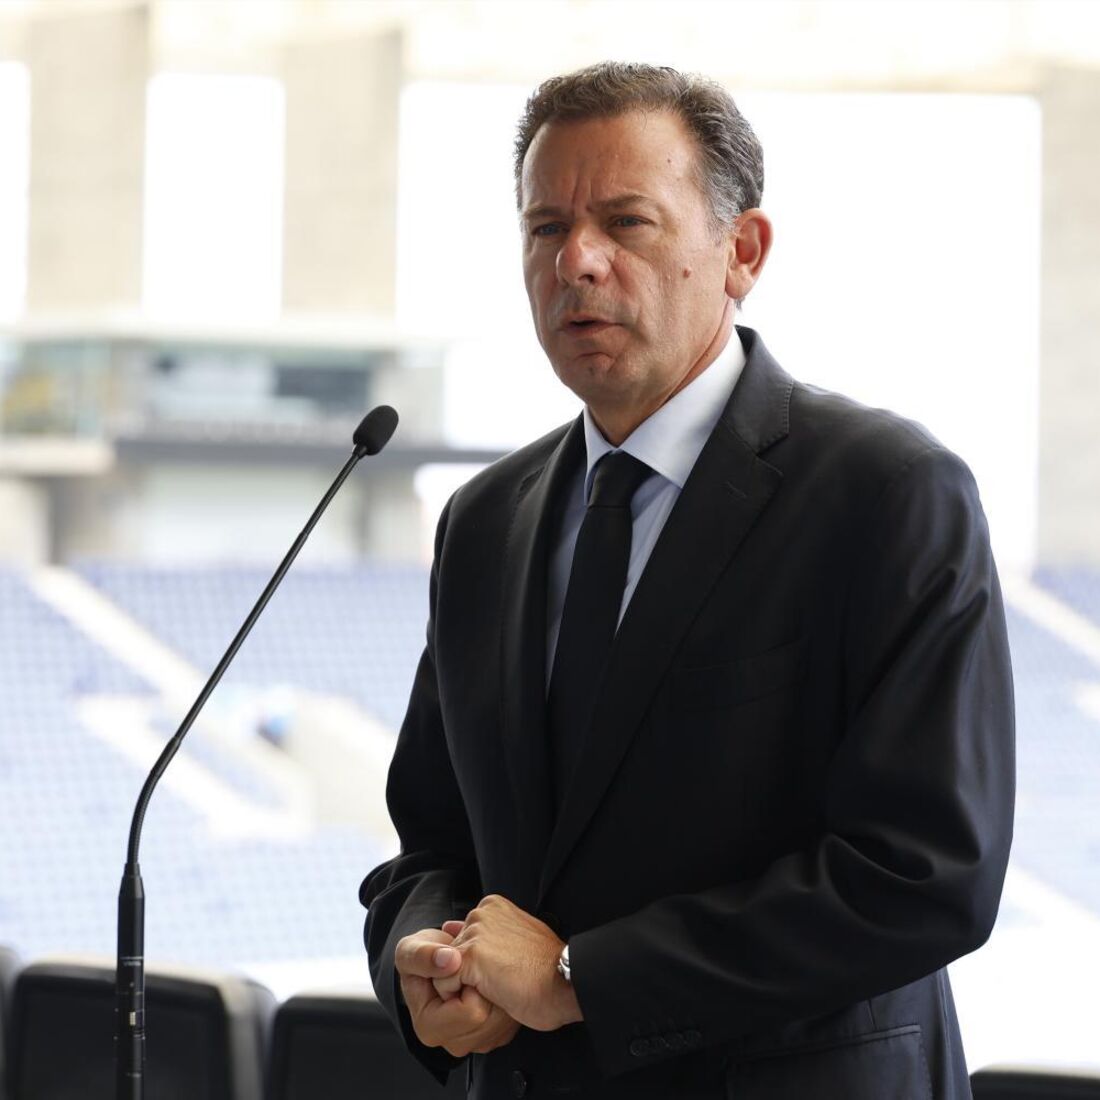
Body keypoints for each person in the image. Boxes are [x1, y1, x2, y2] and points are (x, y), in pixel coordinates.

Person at [360, 61, 1014, 1100]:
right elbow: (431, 838)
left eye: (626, 222)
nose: (576, 261)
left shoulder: (884, 491)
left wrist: (581, 975)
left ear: (740, 251)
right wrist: (425, 957)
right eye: (543, 228)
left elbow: (923, 874)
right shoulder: (485, 518)